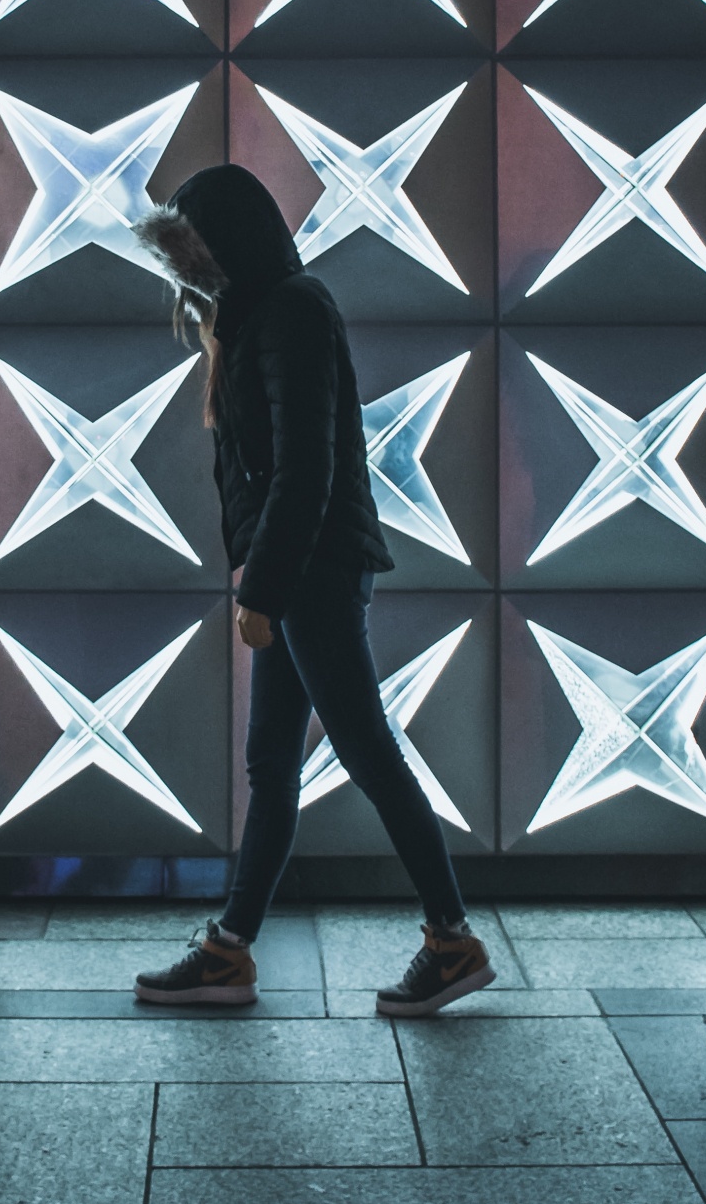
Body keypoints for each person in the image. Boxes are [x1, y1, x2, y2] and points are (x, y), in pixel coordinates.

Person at [129, 164, 493, 1017]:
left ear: (231, 242)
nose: (191, 278)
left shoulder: (293, 309)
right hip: (299, 567)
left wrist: (263, 588)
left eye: (196, 254)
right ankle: (229, 951)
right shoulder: (257, 314)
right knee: (274, 762)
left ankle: (452, 941)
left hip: (312, 568)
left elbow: (305, 469)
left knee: (364, 749)